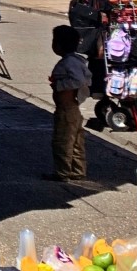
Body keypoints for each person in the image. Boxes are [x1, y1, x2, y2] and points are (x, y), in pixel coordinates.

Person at [45, 26, 91, 182]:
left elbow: (79, 80)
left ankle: (62, 172)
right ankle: (78, 170)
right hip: (72, 109)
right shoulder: (76, 61)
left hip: (66, 109)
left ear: (58, 45)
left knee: (62, 141)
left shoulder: (69, 62)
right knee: (76, 141)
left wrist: (59, 85)